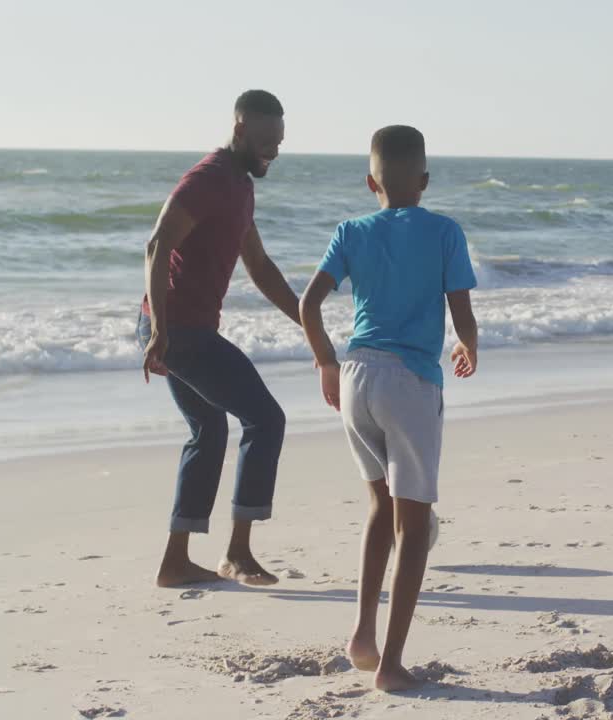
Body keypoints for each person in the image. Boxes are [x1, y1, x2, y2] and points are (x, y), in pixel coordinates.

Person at [299, 125, 479, 692]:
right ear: (424, 181)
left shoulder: (350, 230)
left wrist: (326, 362)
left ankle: (361, 633)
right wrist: (468, 346)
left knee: (378, 507)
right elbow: (461, 312)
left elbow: (308, 303)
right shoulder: (445, 231)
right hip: (411, 383)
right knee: (415, 522)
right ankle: (391, 663)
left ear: (370, 181)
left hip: (357, 376)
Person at [138, 90, 306, 587]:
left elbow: (259, 266)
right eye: (263, 142)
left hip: (183, 329)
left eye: (277, 143)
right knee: (265, 418)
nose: (271, 153)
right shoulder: (209, 179)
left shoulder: (240, 185)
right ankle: (236, 553)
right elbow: (157, 243)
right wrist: (161, 333)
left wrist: (307, 319)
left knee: (208, 432)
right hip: (178, 330)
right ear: (238, 131)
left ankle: (175, 563)